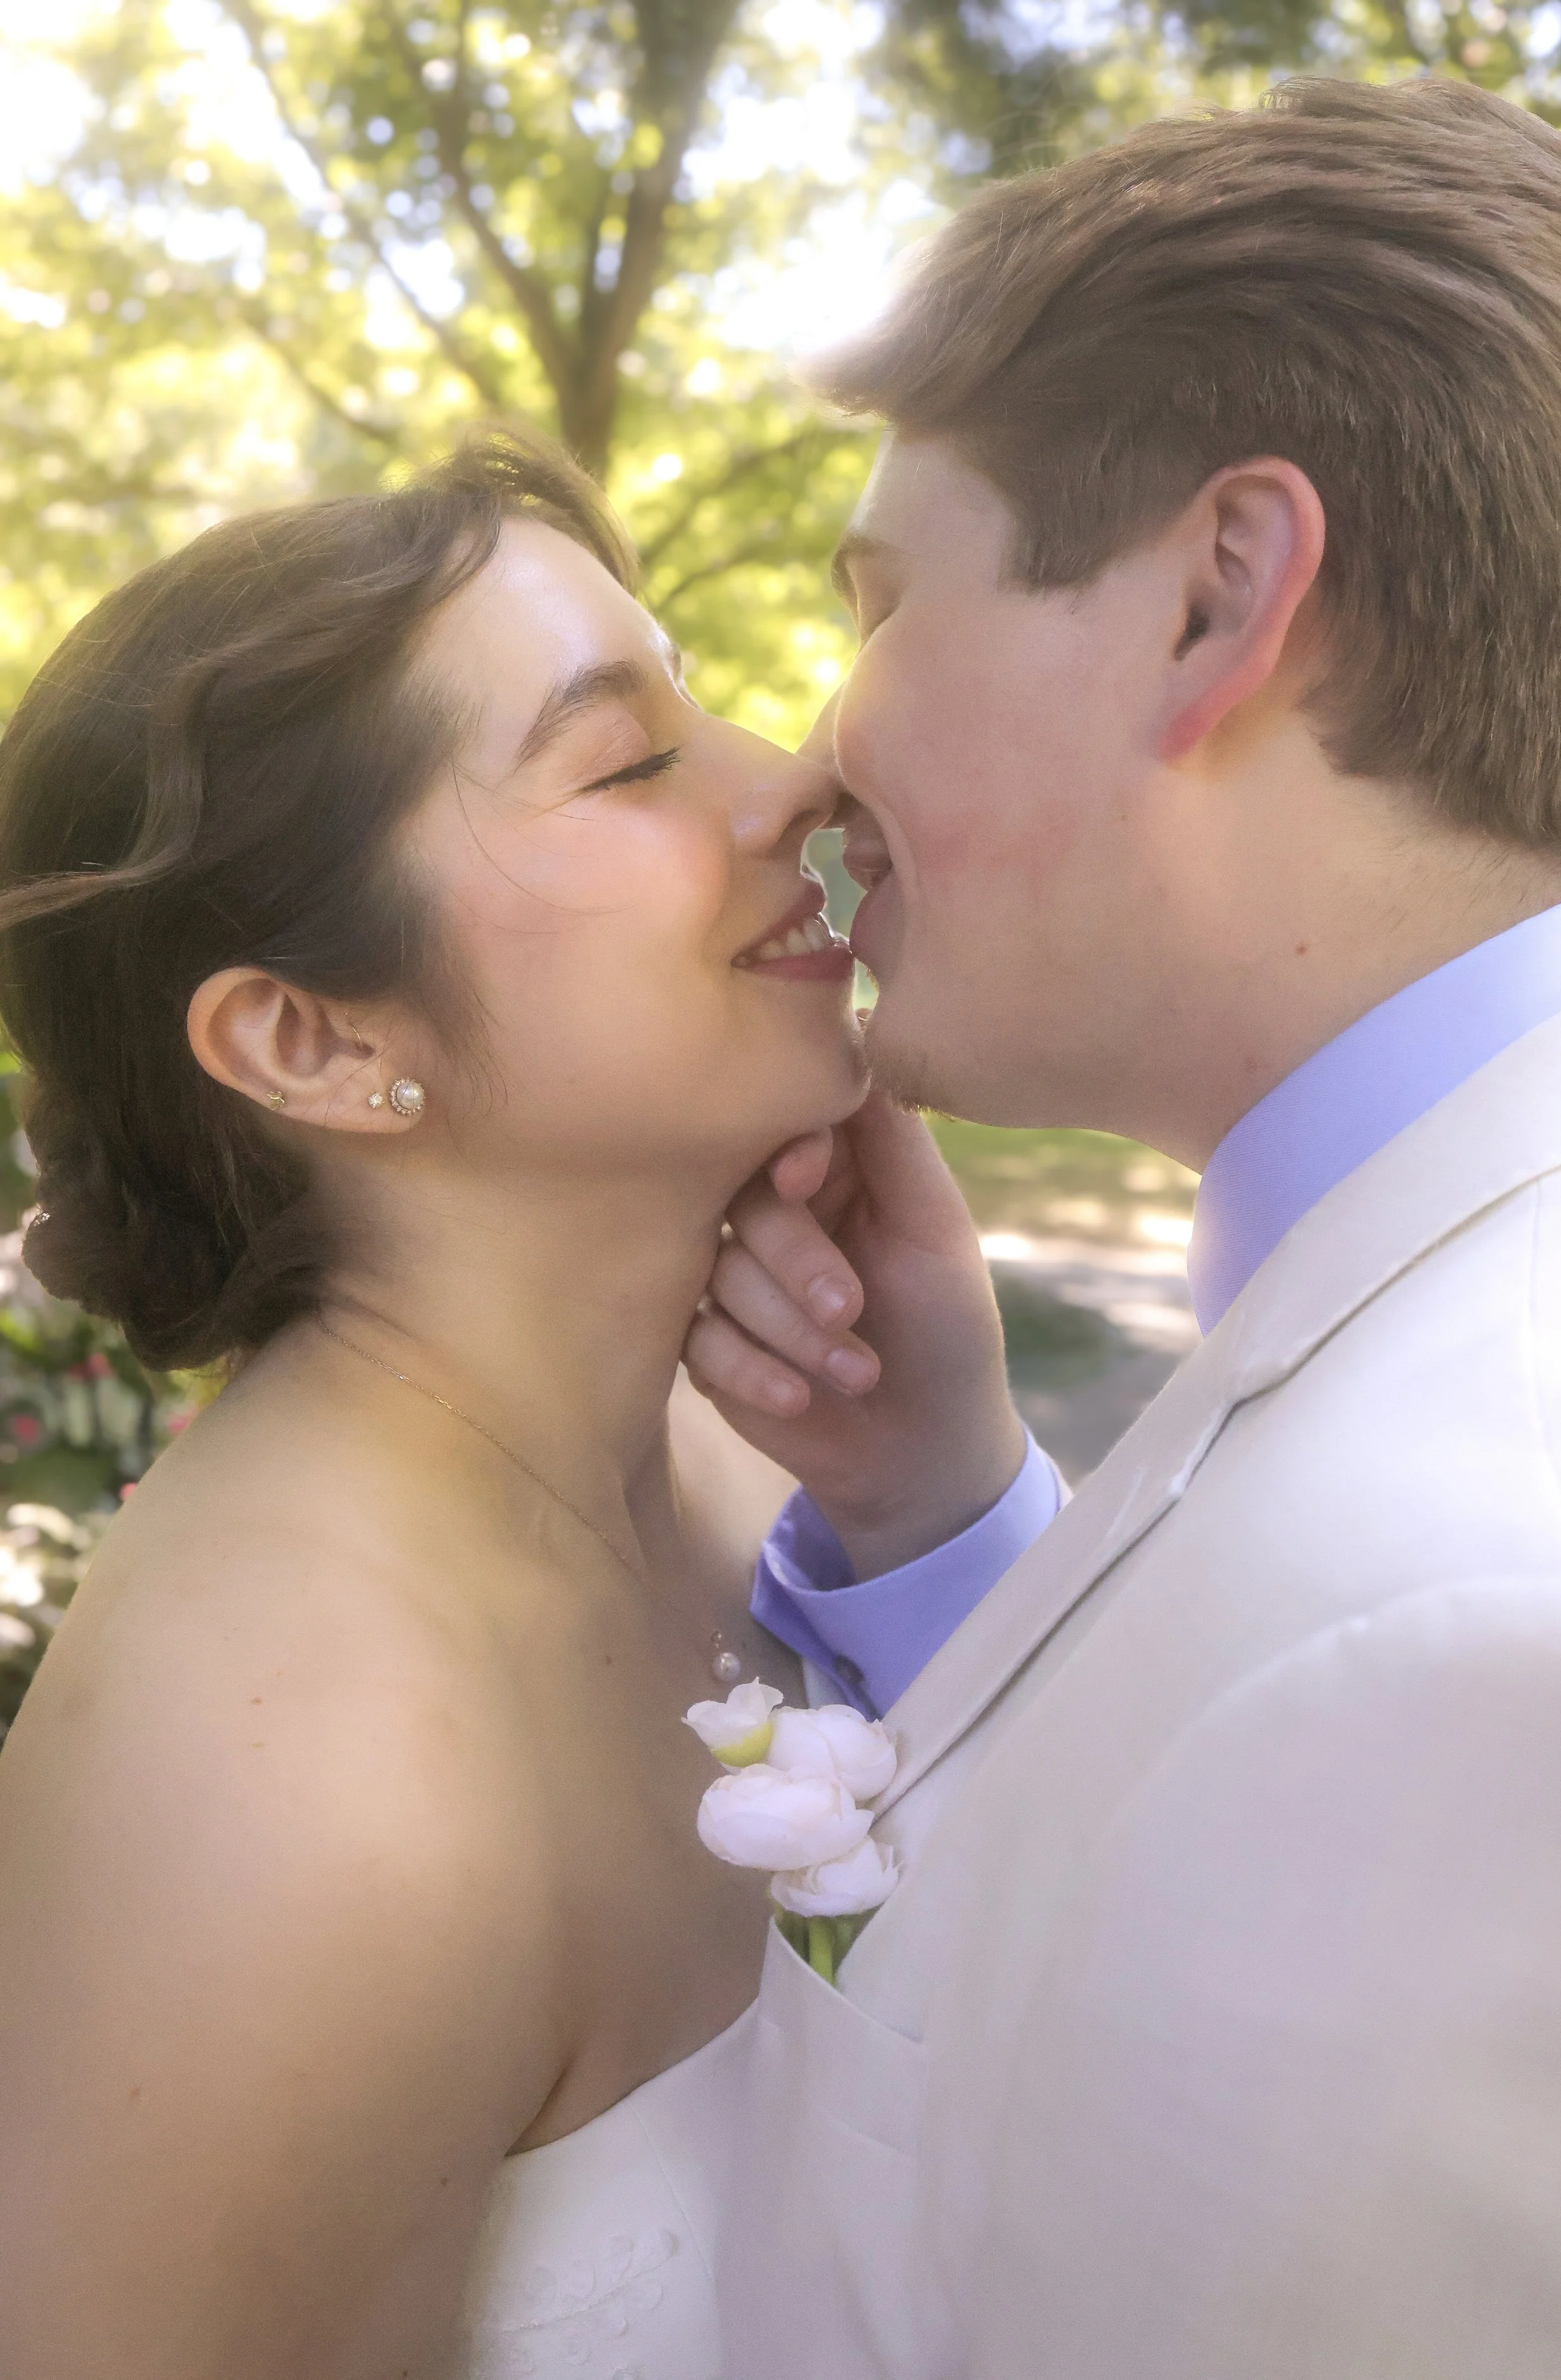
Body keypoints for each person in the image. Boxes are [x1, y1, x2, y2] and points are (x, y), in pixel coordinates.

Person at [682, 75, 1561, 2380]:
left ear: (1216, 599)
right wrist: (949, 1515)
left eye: (880, 597)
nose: (808, 749)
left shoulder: (1476, 1640)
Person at [0, 432, 1020, 2379]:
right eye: (626, 757)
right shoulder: (287, 1785)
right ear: (313, 1040)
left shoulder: (758, 1455)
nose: (798, 770)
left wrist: (944, 1490)